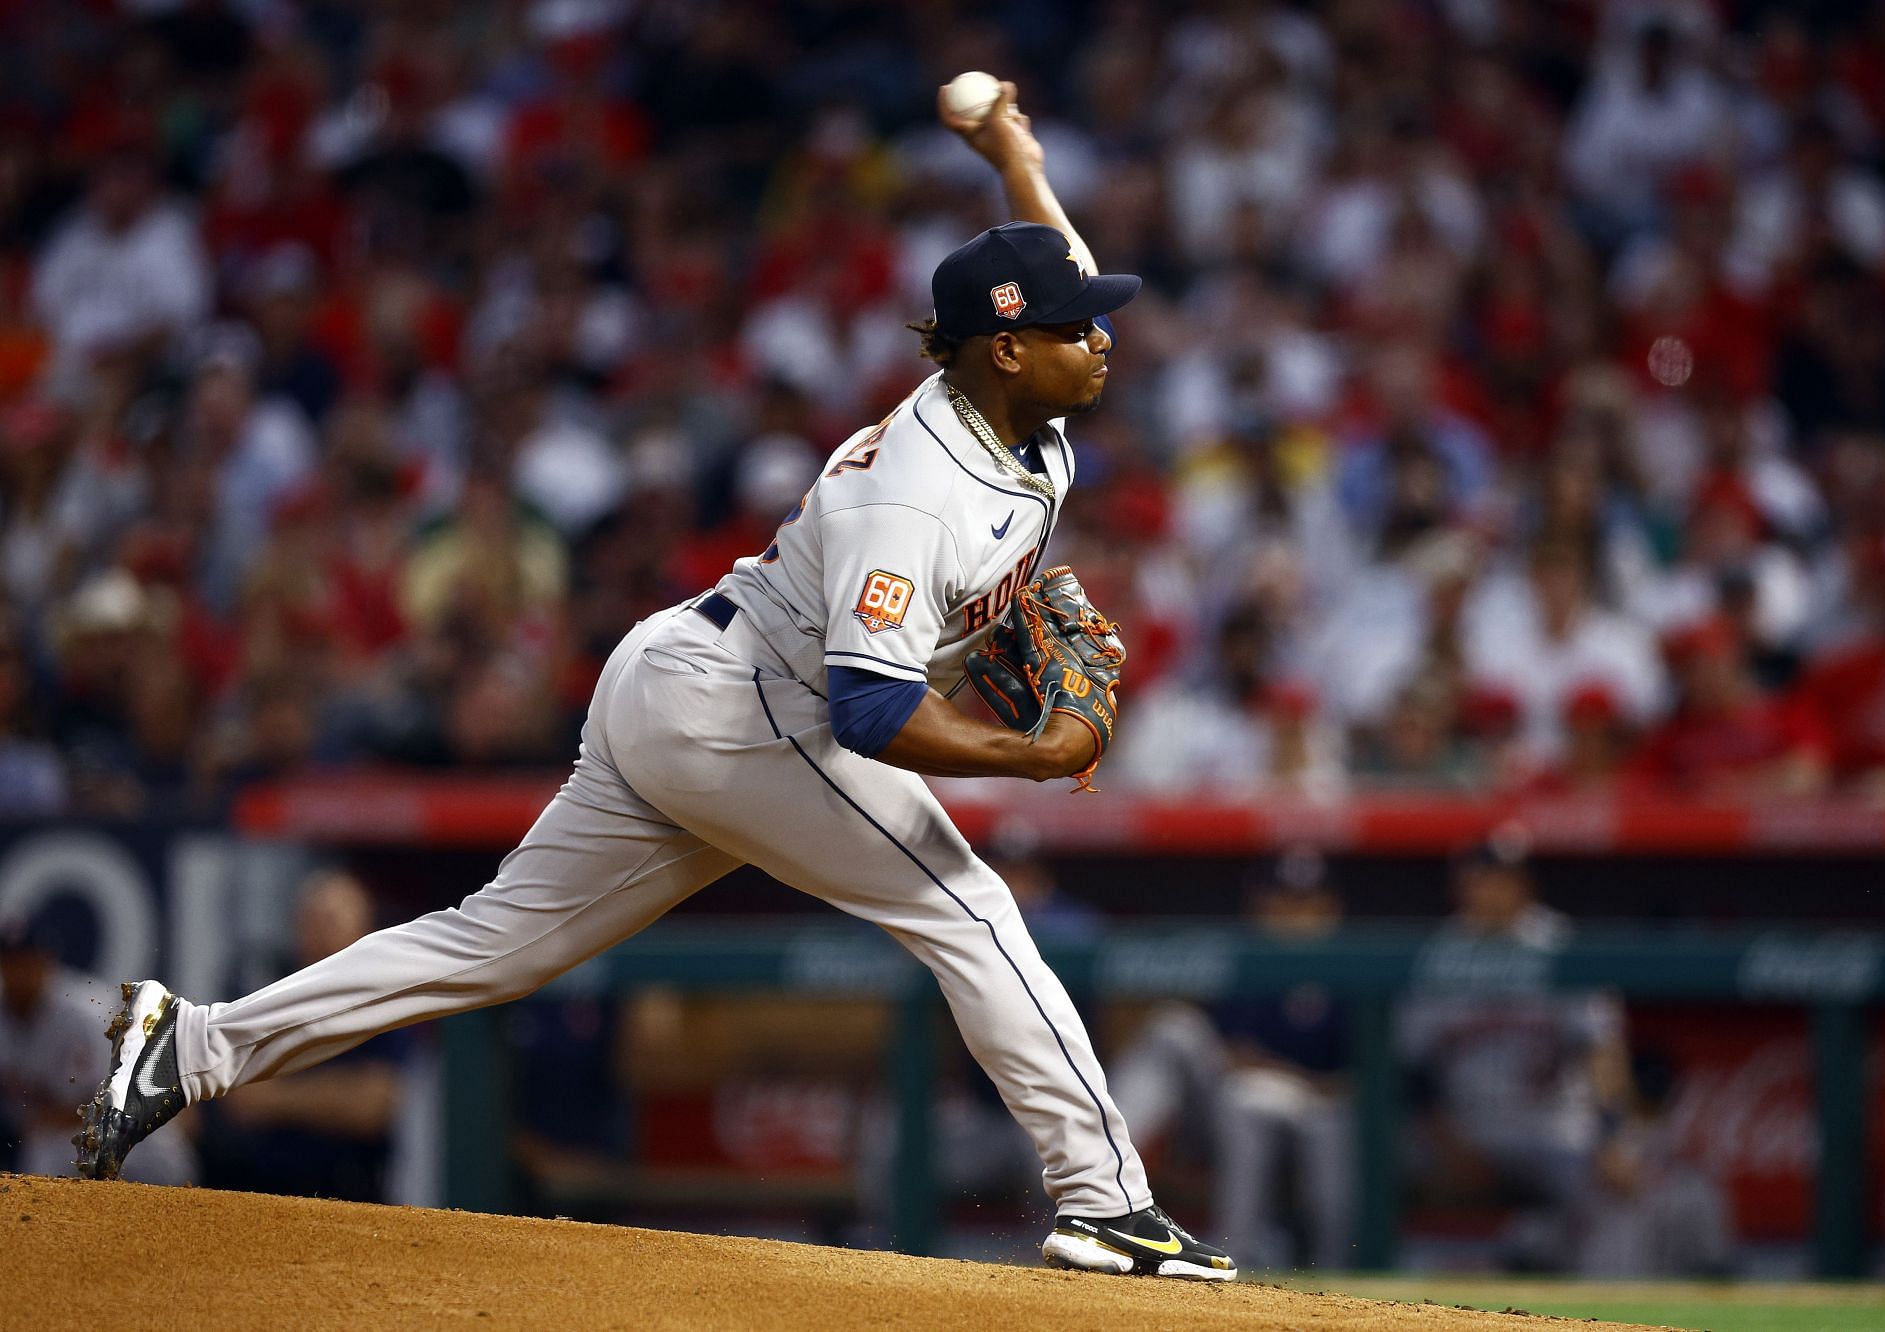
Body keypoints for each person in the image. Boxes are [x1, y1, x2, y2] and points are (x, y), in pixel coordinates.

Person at [74, 82, 1236, 1282]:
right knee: (969, 906)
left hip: (687, 677)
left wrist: (1009, 150)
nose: (1102, 337)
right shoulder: (918, 493)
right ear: (1006, 348)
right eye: (1076, 326)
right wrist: (1035, 757)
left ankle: (192, 1047)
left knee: (496, 947)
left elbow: (1057, 253)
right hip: (749, 710)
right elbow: (872, 712)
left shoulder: (1020, 380)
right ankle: (1104, 1201)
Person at [1399, 831, 1632, 1272]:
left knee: (1611, 1184)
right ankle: (1380, 1297)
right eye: (1483, 878)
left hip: (1552, 1130)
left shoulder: (1560, 944)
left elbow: (1603, 1050)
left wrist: (1612, 1135)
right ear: (1463, 885)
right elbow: (1411, 1071)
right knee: (1377, 1158)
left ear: (1525, 885)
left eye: (1505, 879)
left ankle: (1610, 1309)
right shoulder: (1440, 954)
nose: (1494, 890)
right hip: (1463, 1129)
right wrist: (1450, 1146)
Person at [1108, 849, 1351, 1270]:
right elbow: (1218, 1048)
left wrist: (1277, 1073)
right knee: (1176, 1028)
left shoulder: (1352, 972)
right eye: (1282, 900)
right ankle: (1108, 1159)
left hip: (1319, 1106)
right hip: (1222, 1101)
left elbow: (1366, 1081)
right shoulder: (1239, 958)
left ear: (1330, 908)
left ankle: (1338, 1264)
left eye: (1305, 902)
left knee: (1265, 1105)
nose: (1292, 914)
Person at [193, 870, 411, 1204]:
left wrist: (275, 1099)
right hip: (250, 1189)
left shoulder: (383, 999)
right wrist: (328, 1097)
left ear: (364, 931)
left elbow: (372, 1106)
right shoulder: (262, 988)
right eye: (312, 919)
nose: (321, 932)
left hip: (349, 1193)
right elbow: (234, 1097)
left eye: (333, 919)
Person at [0, 915, 193, 1186]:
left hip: (129, 1128)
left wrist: (49, 1118)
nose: (19, 971)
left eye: (27, 961)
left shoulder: (85, 1015)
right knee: (39, 1157)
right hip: (58, 1139)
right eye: (10, 962)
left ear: (46, 962)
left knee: (168, 1162)